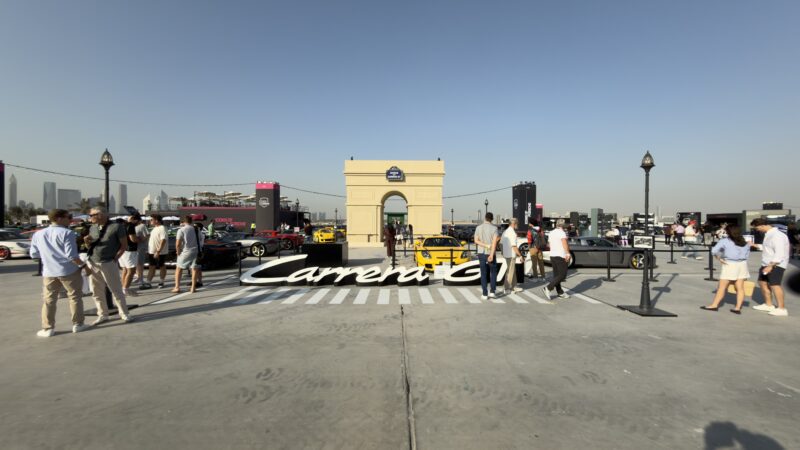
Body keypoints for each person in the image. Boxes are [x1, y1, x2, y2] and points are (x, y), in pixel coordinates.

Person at [30, 209, 89, 337]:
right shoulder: (68, 233)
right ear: (59, 218)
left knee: (49, 300)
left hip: (49, 271)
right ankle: (78, 324)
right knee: (75, 297)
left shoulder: (38, 234)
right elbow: (72, 255)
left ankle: (48, 328)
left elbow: (34, 254)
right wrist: (84, 266)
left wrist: (48, 256)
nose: (70, 219)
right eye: (68, 217)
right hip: (69, 270)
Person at [84, 207, 133, 324]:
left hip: (108, 262)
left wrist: (116, 258)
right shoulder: (92, 228)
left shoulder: (116, 227)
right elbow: (89, 247)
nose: (90, 218)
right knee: (96, 291)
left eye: (92, 215)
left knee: (115, 289)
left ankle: (124, 313)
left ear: (100, 215)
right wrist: (86, 242)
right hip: (93, 262)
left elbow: (124, 245)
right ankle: (102, 314)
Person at [700, 225, 751, 314]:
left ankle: (714, 305)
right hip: (742, 264)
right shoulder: (744, 242)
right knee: (740, 288)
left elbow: (714, 251)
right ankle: (738, 307)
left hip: (730, 264)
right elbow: (747, 255)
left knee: (722, 287)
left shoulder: (725, 241)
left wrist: (719, 258)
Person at [750, 218, 791, 316]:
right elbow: (767, 248)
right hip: (766, 263)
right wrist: (754, 245)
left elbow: (780, 252)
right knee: (762, 283)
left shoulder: (777, 236)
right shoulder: (769, 234)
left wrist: (771, 265)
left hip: (776, 265)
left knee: (775, 285)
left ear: (762, 225)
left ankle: (782, 308)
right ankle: (768, 305)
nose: (757, 230)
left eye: (757, 228)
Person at [542, 220, 571, 300]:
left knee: (556, 275)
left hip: (552, 255)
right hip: (560, 255)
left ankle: (560, 292)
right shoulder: (562, 233)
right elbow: (564, 243)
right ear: (563, 225)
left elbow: (549, 244)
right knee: (562, 275)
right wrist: (567, 253)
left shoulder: (551, 232)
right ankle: (548, 288)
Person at [474, 212, 500, 300]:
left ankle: (484, 294)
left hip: (481, 253)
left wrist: (485, 245)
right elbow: (494, 243)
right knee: (493, 273)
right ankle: (492, 292)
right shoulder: (494, 228)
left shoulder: (478, 228)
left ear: (485, 218)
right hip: (490, 253)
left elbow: (476, 241)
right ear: (492, 219)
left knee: (483, 273)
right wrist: (491, 255)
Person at [172, 215, 199, 293]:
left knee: (179, 268)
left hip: (186, 251)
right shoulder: (196, 229)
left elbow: (178, 243)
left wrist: (178, 251)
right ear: (191, 221)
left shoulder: (181, 230)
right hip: (196, 251)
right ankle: (193, 287)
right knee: (194, 269)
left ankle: (177, 287)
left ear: (183, 222)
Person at [119, 215, 140, 297]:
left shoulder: (122, 226)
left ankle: (123, 288)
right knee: (131, 271)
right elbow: (133, 239)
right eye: (138, 222)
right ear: (134, 220)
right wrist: (140, 239)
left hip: (122, 250)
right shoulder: (130, 226)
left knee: (125, 270)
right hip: (130, 250)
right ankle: (125, 289)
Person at [500, 218, 523, 294]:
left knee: (512, 271)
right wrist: (520, 255)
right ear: (514, 224)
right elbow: (514, 246)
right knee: (510, 272)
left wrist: (503, 252)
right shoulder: (512, 233)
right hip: (511, 255)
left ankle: (514, 287)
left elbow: (501, 243)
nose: (518, 225)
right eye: (517, 224)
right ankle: (506, 288)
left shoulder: (505, 232)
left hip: (506, 254)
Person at [145, 214, 168, 289]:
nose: (150, 221)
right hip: (151, 251)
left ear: (156, 220)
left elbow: (163, 240)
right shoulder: (154, 228)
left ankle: (161, 282)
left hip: (160, 252)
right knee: (151, 266)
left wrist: (158, 251)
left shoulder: (162, 228)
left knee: (161, 266)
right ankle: (148, 282)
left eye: (151, 219)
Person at [133, 213, 149, 289]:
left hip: (140, 247)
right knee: (136, 264)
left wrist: (140, 239)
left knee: (140, 263)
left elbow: (147, 235)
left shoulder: (142, 226)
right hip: (134, 248)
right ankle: (138, 277)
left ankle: (141, 279)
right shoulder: (133, 226)